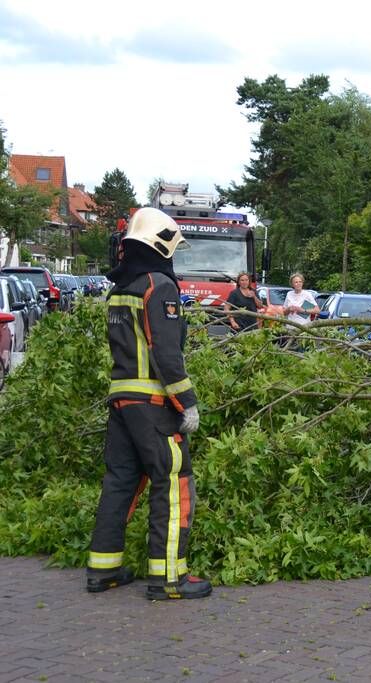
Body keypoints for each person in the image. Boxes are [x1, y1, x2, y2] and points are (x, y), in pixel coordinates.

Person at [87, 207, 212, 600]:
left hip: (121, 401)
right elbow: (166, 353)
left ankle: (103, 570)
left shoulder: (119, 289)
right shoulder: (159, 286)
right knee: (173, 484)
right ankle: (169, 579)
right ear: (160, 245)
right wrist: (186, 403)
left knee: (120, 482)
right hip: (154, 405)